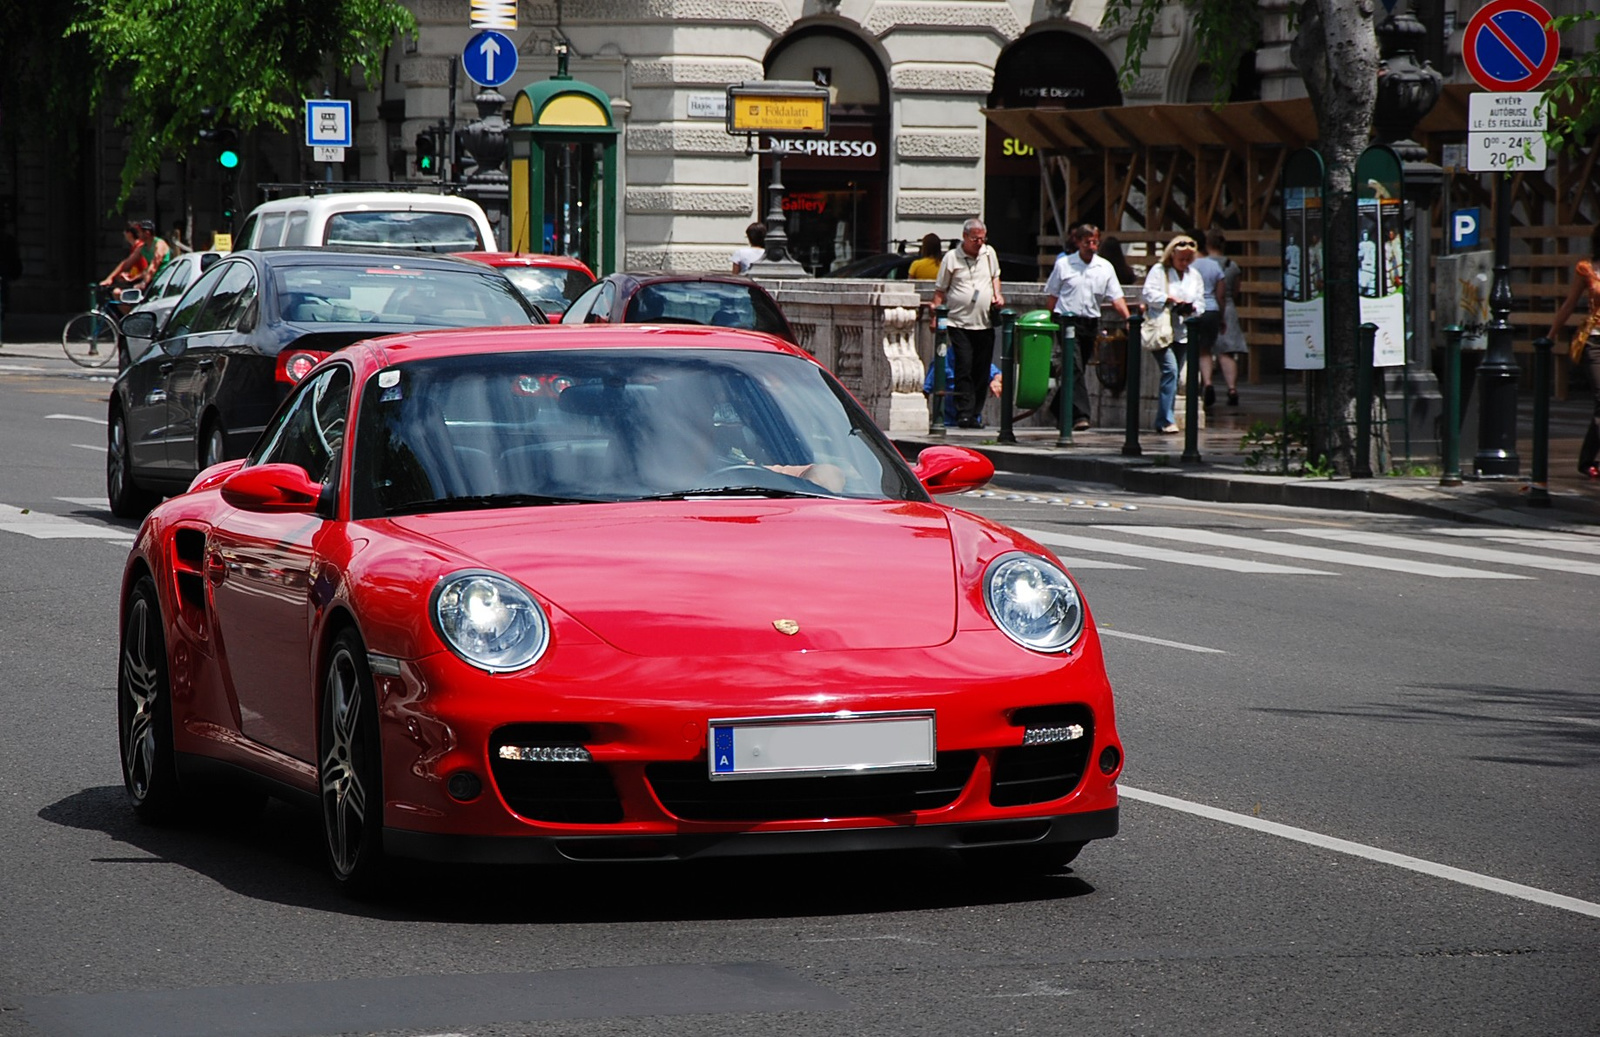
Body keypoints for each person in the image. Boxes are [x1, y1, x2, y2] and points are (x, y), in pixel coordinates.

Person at [1044, 222, 1131, 430]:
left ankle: (1058, 408)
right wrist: (1049, 319)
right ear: (1078, 242)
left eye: (1094, 242)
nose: (1091, 246)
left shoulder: (1104, 267)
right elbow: (1052, 296)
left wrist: (1128, 318)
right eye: (1087, 242)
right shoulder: (1064, 265)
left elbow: (1116, 297)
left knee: (1078, 368)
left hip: (1090, 322)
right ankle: (1081, 415)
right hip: (1066, 320)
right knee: (1073, 367)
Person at [931, 218, 1004, 428]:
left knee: (981, 370)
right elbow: (940, 289)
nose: (979, 242)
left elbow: (995, 277)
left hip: (984, 322)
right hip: (958, 321)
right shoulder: (952, 258)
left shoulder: (989, 253)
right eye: (975, 239)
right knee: (964, 366)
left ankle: (975, 414)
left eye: (982, 238)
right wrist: (935, 315)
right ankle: (963, 412)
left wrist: (997, 294)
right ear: (964, 237)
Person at [1545, 224, 1600, 479]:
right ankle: (1589, 460)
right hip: (1594, 341)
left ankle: (1587, 459)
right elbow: (1569, 304)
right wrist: (1550, 336)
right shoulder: (1586, 269)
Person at [1141, 235, 1205, 435]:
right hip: (1163, 329)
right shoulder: (1160, 271)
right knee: (1170, 370)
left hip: (1183, 330)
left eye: (1188, 259)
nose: (1184, 263)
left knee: (1179, 378)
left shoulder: (1194, 275)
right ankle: (1164, 419)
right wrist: (1168, 299)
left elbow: (1202, 301)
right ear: (1172, 256)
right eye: (1181, 259)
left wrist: (1191, 308)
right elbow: (1148, 293)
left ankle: (1167, 415)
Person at [1206, 231, 1249, 406]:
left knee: (1205, 350)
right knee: (1227, 352)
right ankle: (1232, 388)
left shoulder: (1202, 264)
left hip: (1208, 305)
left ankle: (1208, 383)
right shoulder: (1232, 265)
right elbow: (1237, 290)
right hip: (1229, 307)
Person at [1189, 230, 1225, 411]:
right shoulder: (1214, 266)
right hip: (1212, 310)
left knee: (1189, 350)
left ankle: (1192, 386)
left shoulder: (1188, 265)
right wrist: (1222, 316)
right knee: (1205, 351)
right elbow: (1221, 294)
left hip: (1193, 310)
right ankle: (1208, 382)